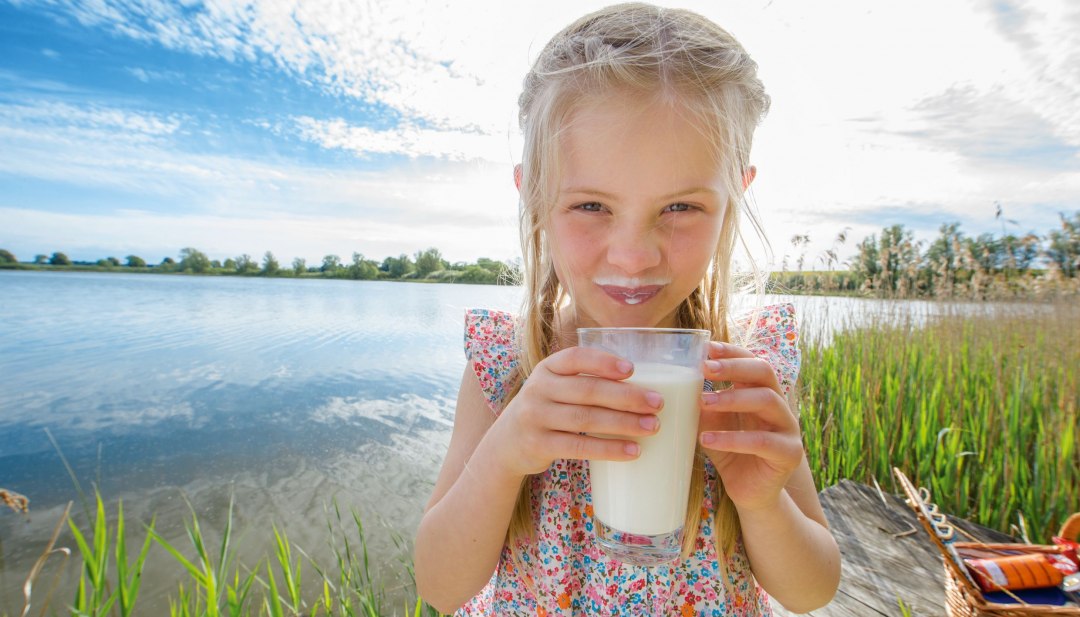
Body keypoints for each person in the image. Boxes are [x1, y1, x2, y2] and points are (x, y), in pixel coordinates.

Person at [414, 3, 841, 615]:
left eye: (680, 208)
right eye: (591, 206)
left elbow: (812, 591)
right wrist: (504, 453)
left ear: (734, 199)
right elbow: (440, 585)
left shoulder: (745, 370)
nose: (635, 256)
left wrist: (763, 501)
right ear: (534, 198)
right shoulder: (505, 366)